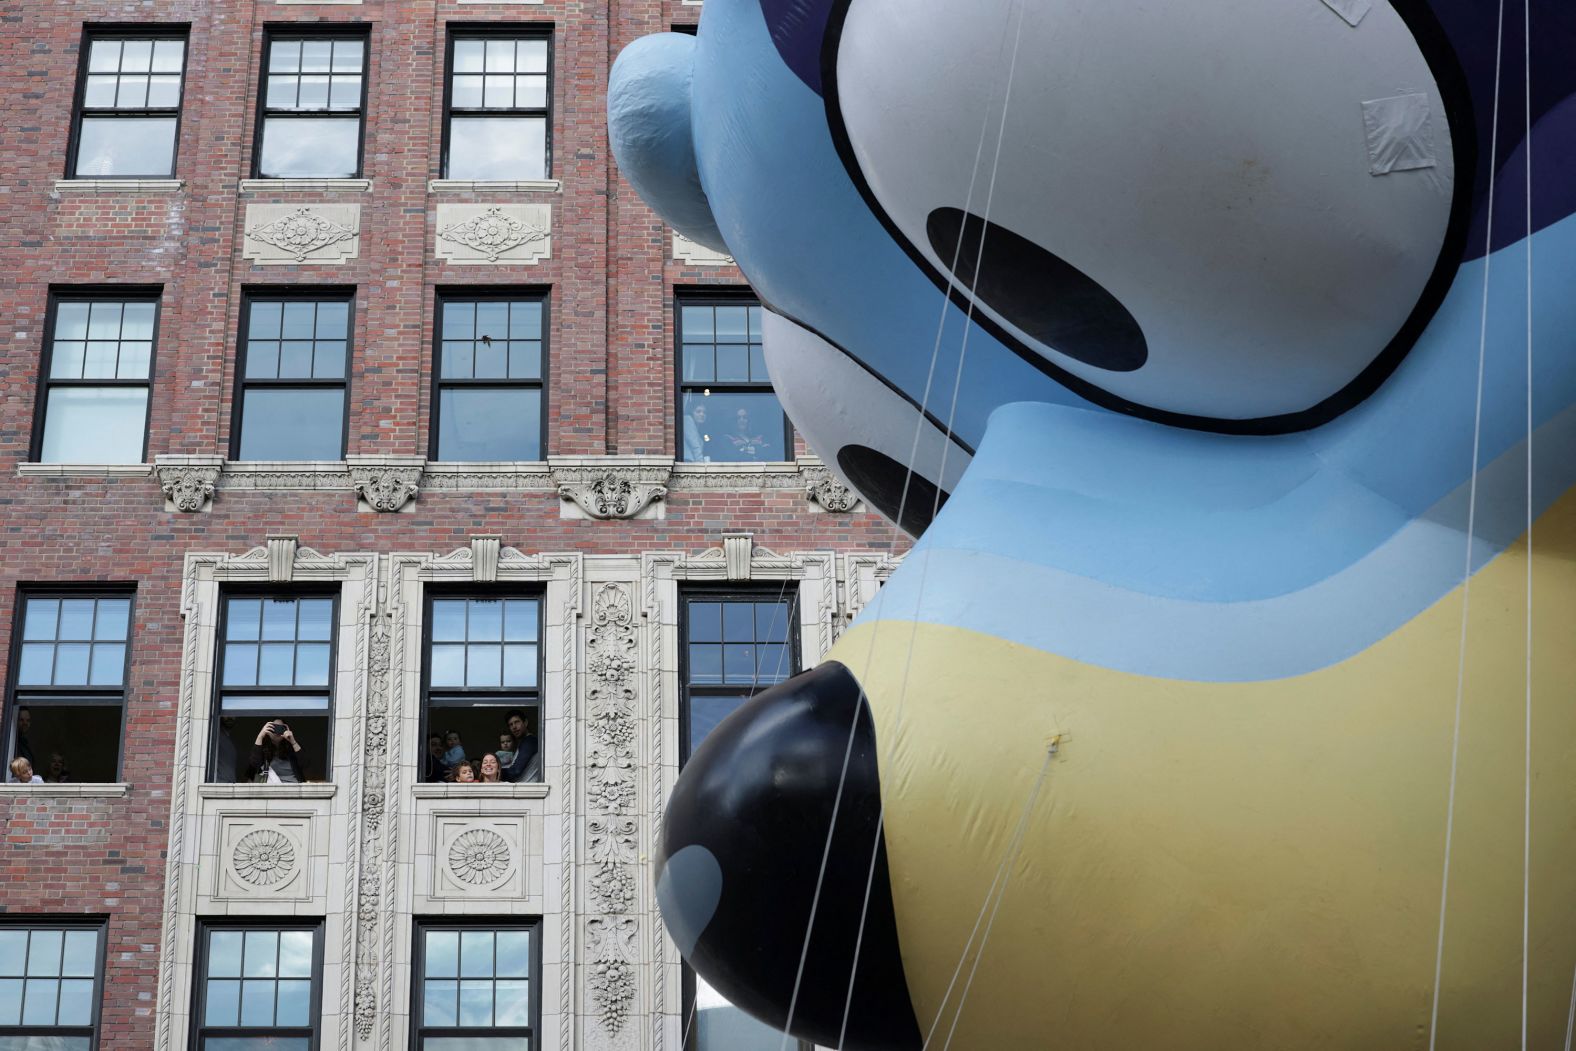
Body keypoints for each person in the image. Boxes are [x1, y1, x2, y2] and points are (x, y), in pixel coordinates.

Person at [245, 719, 304, 784]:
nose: (277, 731)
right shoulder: (263, 748)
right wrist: (260, 736)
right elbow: (254, 764)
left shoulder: (292, 747)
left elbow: (305, 764)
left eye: (281, 728)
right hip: (271, 787)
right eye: (274, 727)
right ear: (268, 729)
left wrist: (293, 742)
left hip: (293, 786)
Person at [500, 710, 540, 783]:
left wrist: (495, 772)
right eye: (511, 725)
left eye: (517, 722)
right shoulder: (524, 742)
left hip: (527, 788)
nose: (514, 727)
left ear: (525, 722)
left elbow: (515, 771)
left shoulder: (530, 741)